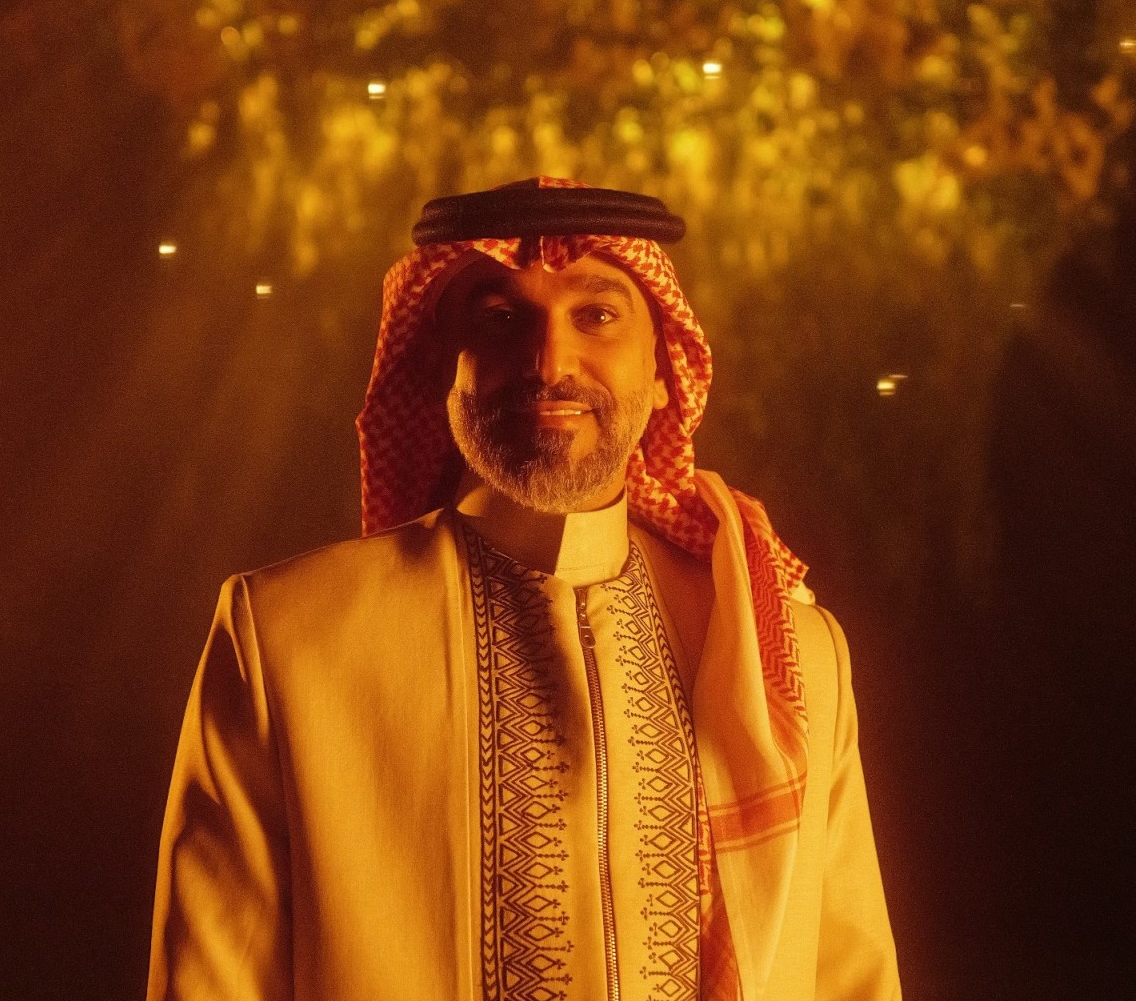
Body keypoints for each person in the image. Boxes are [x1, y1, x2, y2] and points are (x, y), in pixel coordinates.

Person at [146, 177, 901, 1000]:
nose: (549, 363)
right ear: (445, 367)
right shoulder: (291, 637)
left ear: (663, 369)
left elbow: (850, 977)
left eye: (596, 315)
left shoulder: (785, 653)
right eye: (501, 320)